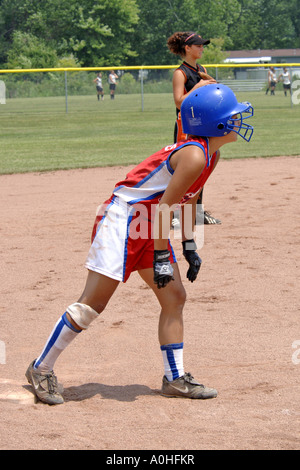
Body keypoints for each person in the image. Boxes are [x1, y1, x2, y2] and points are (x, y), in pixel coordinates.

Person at [25, 84, 254, 405]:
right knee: (92, 305)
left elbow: (189, 201)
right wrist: (162, 255)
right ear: (214, 123)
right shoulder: (194, 155)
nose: (238, 121)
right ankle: (41, 368)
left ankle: (174, 378)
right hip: (123, 221)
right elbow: (163, 209)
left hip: (149, 223)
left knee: (174, 296)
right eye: (232, 116)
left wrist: (189, 245)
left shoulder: (209, 155)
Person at [167, 31, 221, 226]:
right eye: (198, 45)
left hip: (203, 126)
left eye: (202, 45)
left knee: (203, 168)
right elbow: (179, 101)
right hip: (185, 128)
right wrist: (198, 86)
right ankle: (175, 213)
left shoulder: (201, 69)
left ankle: (197, 213)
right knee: (184, 172)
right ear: (187, 48)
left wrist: (212, 86)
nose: (202, 48)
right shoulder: (180, 73)